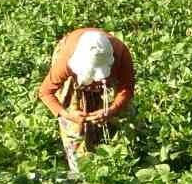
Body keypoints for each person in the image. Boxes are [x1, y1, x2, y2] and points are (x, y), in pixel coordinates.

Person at [38, 28, 135, 173]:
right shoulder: (67, 60)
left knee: (120, 116)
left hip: (111, 64)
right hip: (70, 56)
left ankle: (107, 153)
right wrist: (67, 115)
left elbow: (127, 88)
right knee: (74, 124)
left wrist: (112, 109)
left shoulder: (120, 54)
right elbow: (45, 92)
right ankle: (79, 170)